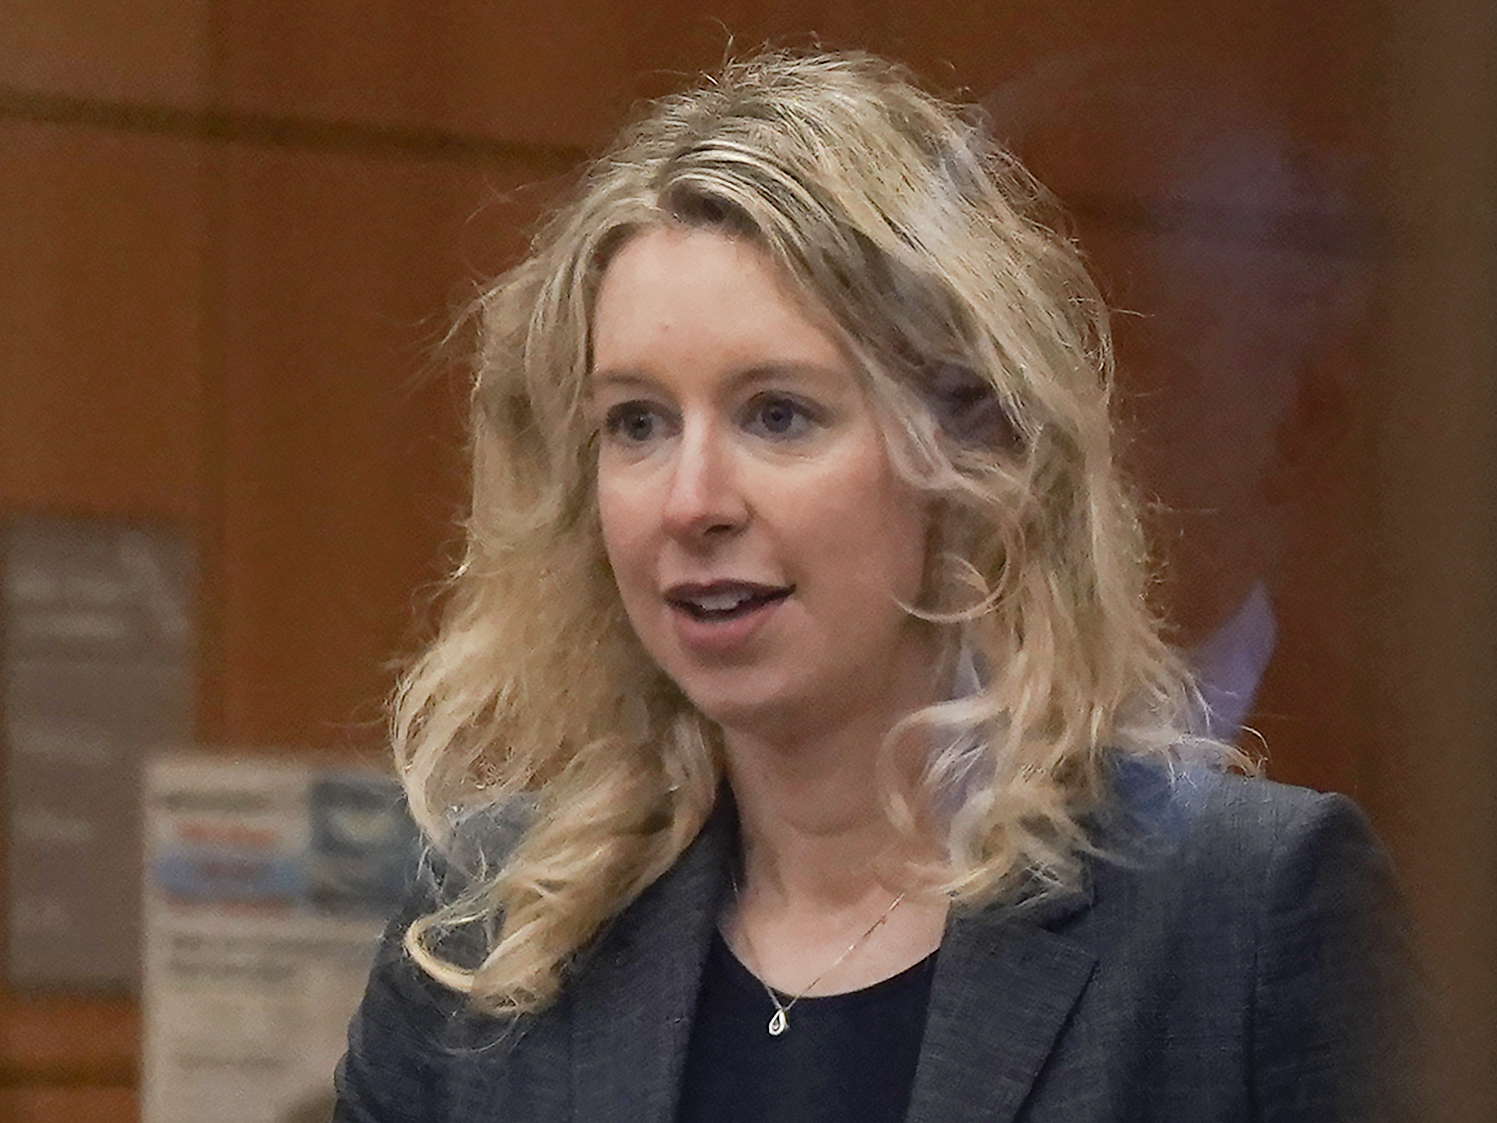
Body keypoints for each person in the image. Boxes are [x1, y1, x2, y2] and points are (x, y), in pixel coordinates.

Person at [334, 50, 1413, 1123]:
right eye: (638, 423)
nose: (690, 500)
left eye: (778, 414)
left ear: (971, 459)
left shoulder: (1243, 913)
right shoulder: (488, 931)